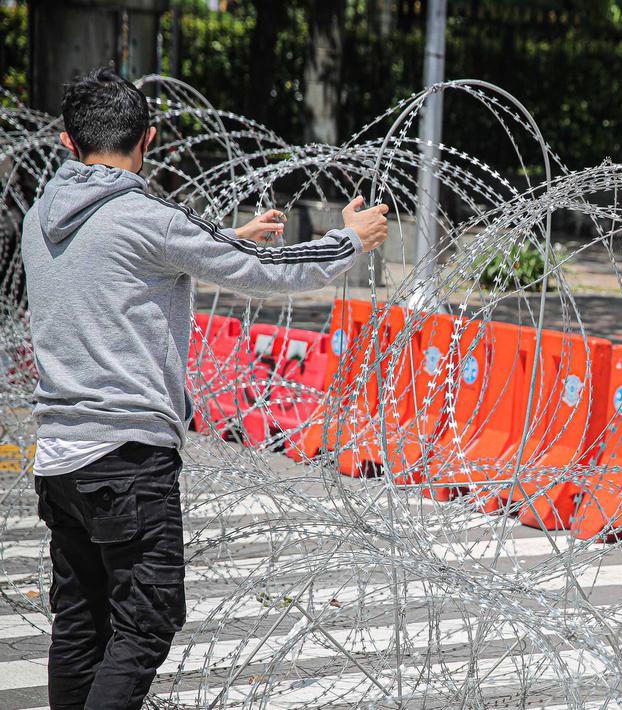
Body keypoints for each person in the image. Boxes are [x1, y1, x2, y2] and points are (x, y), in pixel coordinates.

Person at [21, 66, 389, 710]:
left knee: (82, 624)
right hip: (126, 459)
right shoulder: (145, 218)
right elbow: (264, 273)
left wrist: (217, 242)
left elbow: (127, 266)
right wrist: (346, 243)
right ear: (150, 139)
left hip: (58, 459)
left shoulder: (38, 218)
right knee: (146, 620)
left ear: (66, 144)